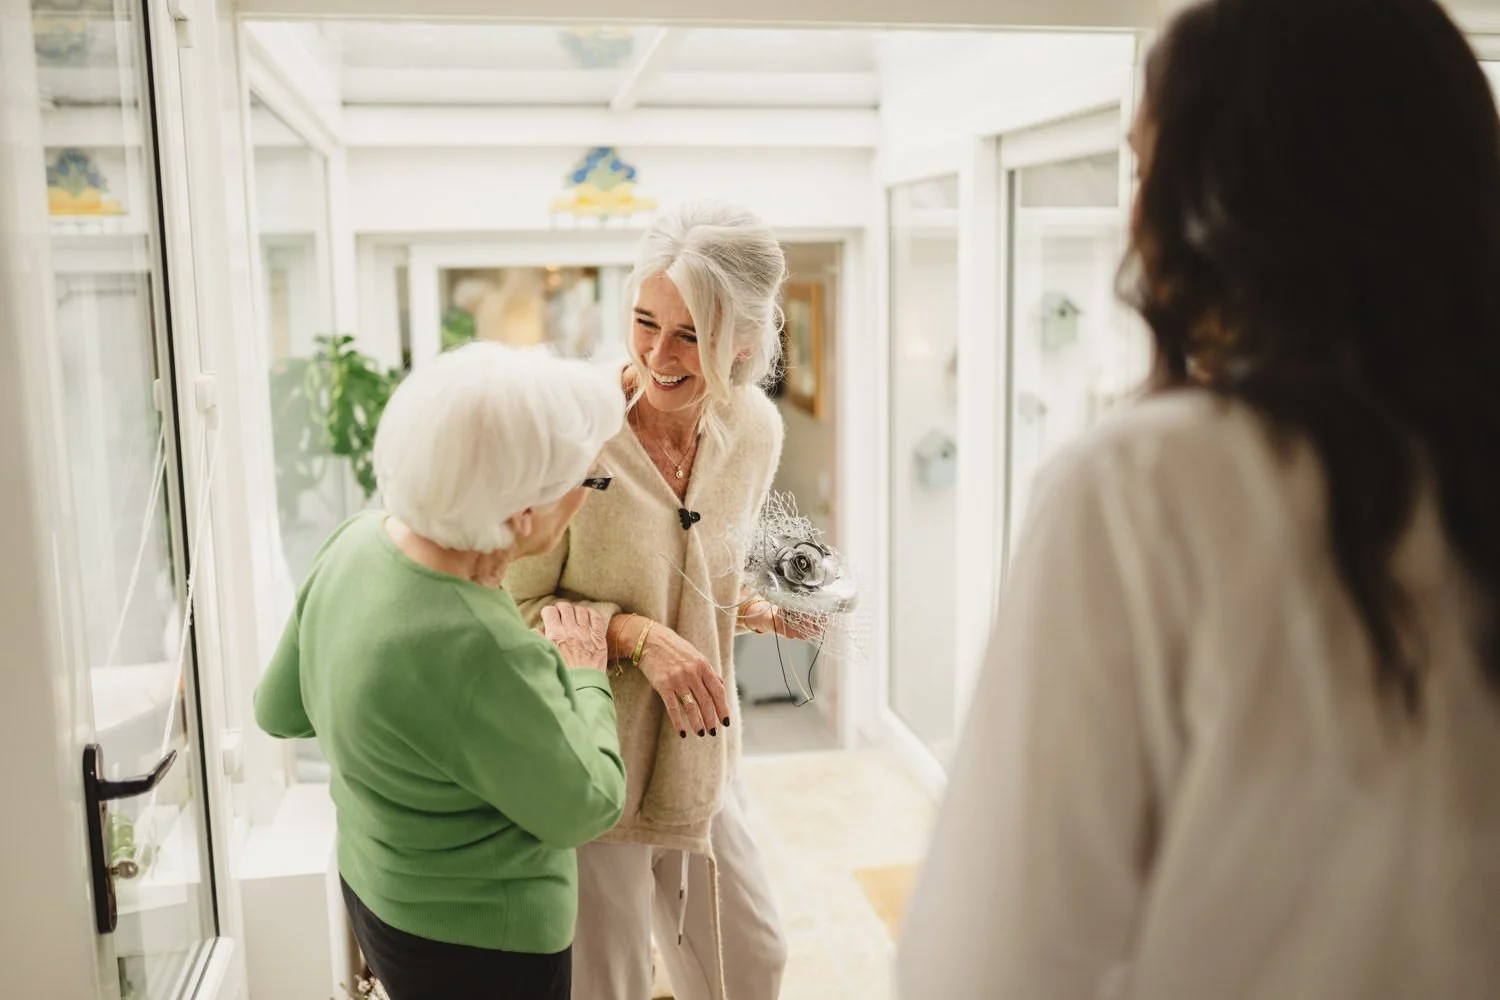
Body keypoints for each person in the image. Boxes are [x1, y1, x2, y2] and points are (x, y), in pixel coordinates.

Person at [898, 1, 1500, 997]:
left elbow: (985, 968)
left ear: (1220, 208)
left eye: (1144, 168)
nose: (1134, 214)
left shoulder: (1147, 489)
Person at [505, 199, 817, 1000]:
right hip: (592, 764)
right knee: (606, 985)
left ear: (745, 338)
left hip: (702, 752)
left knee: (751, 966)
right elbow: (513, 608)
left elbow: (708, 576)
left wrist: (759, 606)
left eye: (692, 335)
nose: (658, 355)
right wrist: (634, 635)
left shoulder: (754, 430)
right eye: (645, 322)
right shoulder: (575, 434)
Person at [253, 341, 629, 1000]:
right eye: (588, 482)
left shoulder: (355, 541)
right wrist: (585, 667)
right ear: (524, 511)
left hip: (376, 898)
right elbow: (587, 806)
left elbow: (278, 710)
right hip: (489, 945)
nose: (587, 500)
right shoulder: (488, 648)